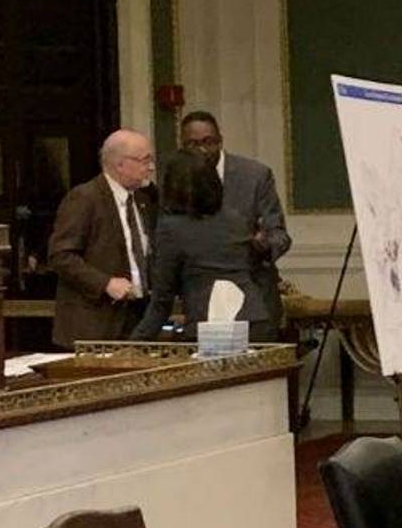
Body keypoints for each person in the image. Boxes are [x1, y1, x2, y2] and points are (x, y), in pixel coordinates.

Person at [132, 149, 276, 340]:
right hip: (255, 319)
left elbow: (162, 300)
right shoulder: (236, 219)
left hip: (210, 326)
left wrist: (132, 347)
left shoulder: (171, 228)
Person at [175, 110, 291, 340]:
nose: (201, 150)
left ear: (220, 141)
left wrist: (263, 245)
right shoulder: (177, 179)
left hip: (255, 301)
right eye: (192, 144)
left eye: (207, 142)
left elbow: (279, 235)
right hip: (202, 304)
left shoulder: (255, 176)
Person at [48, 129, 156, 349]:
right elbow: (61, 256)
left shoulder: (145, 199)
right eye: (144, 160)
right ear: (120, 164)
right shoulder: (85, 198)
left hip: (137, 318)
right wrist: (105, 283)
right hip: (95, 323)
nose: (151, 167)